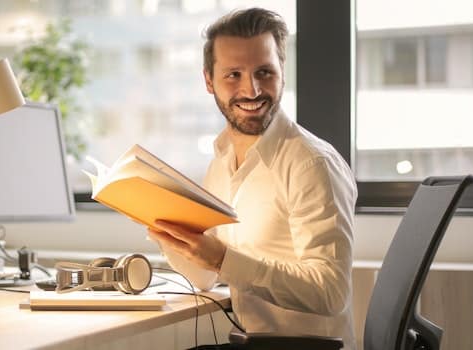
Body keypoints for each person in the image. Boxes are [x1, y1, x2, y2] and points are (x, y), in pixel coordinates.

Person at [147, 7, 357, 349]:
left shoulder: (311, 163)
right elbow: (204, 278)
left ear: (281, 73)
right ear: (208, 81)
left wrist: (222, 258)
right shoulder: (222, 160)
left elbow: (330, 292)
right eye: (233, 75)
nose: (252, 89)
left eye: (264, 72)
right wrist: (169, 234)